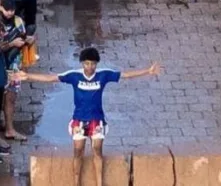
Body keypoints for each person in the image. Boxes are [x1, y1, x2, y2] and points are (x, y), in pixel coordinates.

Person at [12, 48, 161, 186]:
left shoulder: (104, 75)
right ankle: (76, 182)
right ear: (82, 63)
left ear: (96, 64)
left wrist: (147, 71)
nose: (90, 67)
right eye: (87, 63)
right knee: (78, 152)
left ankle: (99, 182)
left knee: (97, 150)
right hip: (79, 121)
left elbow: (125, 75)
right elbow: (51, 78)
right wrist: (28, 76)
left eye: (93, 64)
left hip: (97, 121)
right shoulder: (73, 76)